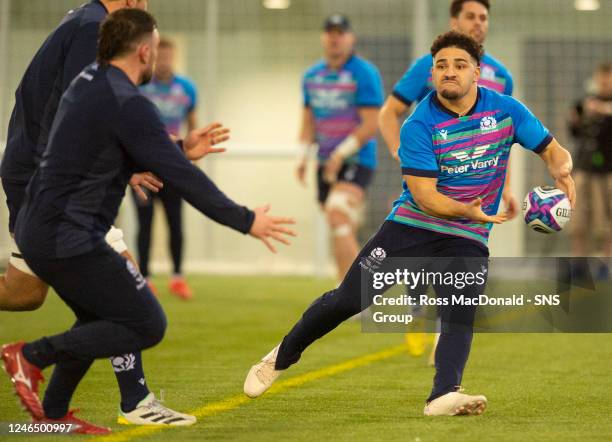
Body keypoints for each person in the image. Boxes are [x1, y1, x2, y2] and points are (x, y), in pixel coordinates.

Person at [244, 31, 575, 417]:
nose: (449, 72)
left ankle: (442, 395)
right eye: (441, 66)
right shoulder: (418, 124)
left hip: (466, 237)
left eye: (459, 65)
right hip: (411, 227)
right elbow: (425, 196)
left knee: (460, 308)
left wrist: (563, 170)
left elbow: (551, 149)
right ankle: (280, 356)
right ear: (432, 74)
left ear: (478, 73)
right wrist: (469, 210)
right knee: (349, 300)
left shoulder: (507, 110)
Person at [1, 9, 295, 434]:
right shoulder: (127, 102)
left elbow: (112, 144)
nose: (159, 56)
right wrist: (246, 220)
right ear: (144, 51)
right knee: (145, 322)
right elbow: (181, 178)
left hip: (45, 222)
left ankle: (53, 416)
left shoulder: (90, 84)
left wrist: (172, 146)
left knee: (98, 315)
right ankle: (30, 356)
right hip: (67, 232)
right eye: (157, 48)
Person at [0, 0, 199, 429]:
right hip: (52, 182)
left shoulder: (87, 21)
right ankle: (135, 400)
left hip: (42, 172)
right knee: (122, 288)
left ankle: (52, 415)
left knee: (25, 294)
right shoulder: (93, 28)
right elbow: (81, 112)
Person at [378, 0, 518, 359]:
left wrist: (508, 187)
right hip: (428, 177)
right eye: (470, 16)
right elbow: (389, 113)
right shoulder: (428, 68)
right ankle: (415, 310)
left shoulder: (500, 76)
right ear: (454, 21)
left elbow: (505, 135)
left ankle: (443, 333)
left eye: (483, 17)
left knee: (456, 256)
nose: (477, 23)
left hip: (473, 182)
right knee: (417, 256)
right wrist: (401, 152)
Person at [297, 14, 384, 281]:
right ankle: (344, 292)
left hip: (356, 159)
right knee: (338, 224)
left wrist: (340, 154)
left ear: (351, 38)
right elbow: (308, 122)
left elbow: (372, 123)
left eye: (340, 32)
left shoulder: (364, 73)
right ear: (323, 37)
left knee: (338, 214)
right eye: (330, 32)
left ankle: (360, 291)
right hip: (324, 163)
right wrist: (303, 158)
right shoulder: (311, 75)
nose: (335, 37)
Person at [135, 37, 199, 299]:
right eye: (158, 56)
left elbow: (193, 124)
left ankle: (177, 277)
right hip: (143, 168)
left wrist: (191, 154)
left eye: (167, 56)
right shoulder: (139, 85)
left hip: (172, 167)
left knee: (176, 223)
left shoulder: (186, 88)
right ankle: (146, 278)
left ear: (173, 57)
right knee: (145, 223)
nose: (163, 61)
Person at [568, 62, 612, 262]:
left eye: (608, 77)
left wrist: (603, 110)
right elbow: (575, 133)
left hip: (608, 170)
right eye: (601, 77)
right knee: (578, 221)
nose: (603, 81)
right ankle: (579, 263)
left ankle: (607, 262)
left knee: (606, 221)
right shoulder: (585, 102)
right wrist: (576, 120)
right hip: (584, 167)